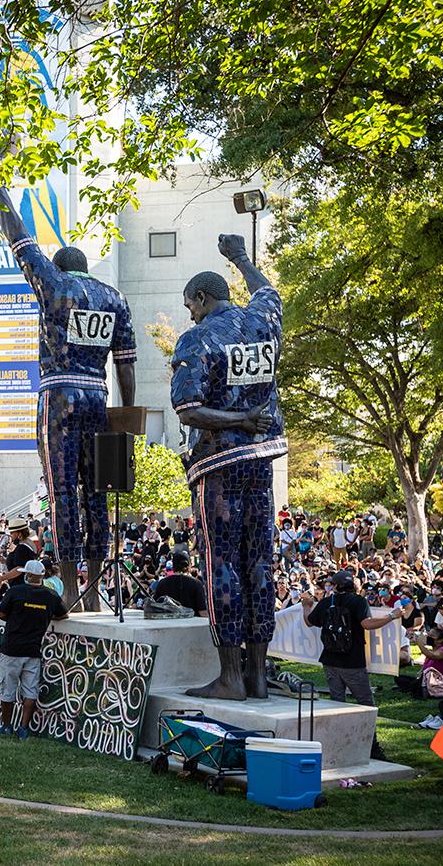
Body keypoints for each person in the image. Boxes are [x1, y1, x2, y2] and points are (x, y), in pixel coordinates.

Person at [0, 185, 137, 614]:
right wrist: (123, 418)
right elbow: (126, 364)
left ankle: (71, 589)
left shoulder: (54, 285)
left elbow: (21, 241)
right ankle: (95, 591)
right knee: (98, 491)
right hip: (99, 396)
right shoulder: (114, 298)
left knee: (63, 492)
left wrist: (2, 193)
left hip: (59, 396)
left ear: (59, 269)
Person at [169, 233, 286, 700]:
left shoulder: (199, 338)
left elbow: (189, 409)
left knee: (223, 567)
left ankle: (232, 676)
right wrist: (239, 256)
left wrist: (237, 418)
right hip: (262, 461)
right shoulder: (263, 322)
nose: (190, 314)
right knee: (260, 563)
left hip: (220, 464)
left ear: (201, 298)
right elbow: (267, 291)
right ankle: (258, 673)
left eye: (190, 305)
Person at [300, 571, 403, 707]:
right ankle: (368, 728)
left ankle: (339, 727)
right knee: (365, 702)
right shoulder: (359, 601)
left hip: (329, 659)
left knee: (336, 702)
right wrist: (391, 616)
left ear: (335, 586)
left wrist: (306, 607)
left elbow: (309, 621)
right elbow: (367, 624)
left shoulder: (326, 602)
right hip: (352, 660)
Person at [0, 560, 69, 739]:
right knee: (30, 690)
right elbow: (63, 614)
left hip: (11, 648)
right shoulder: (51, 595)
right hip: (34, 649)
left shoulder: (15, 591)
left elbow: (1, 614)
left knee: (7, 689)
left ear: (27, 575)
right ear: (42, 577)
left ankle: (6, 726)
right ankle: (24, 728)